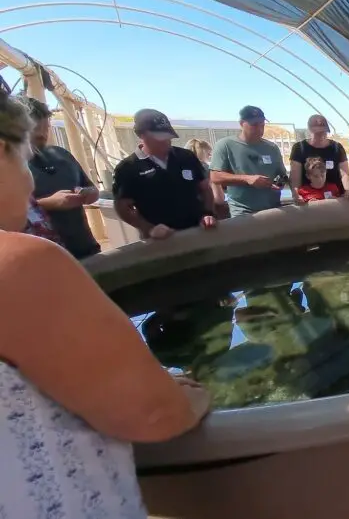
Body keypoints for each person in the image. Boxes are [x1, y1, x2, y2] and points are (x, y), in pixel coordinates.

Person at [0, 89, 211, 517]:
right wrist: (183, 394)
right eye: (22, 159)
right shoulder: (20, 265)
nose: (28, 179)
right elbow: (153, 414)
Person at [112, 109, 218, 240]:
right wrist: (148, 228)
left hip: (197, 231)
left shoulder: (186, 157)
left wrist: (207, 214)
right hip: (160, 240)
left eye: (168, 136)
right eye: (159, 137)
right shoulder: (128, 168)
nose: (166, 141)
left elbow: (205, 189)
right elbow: (122, 206)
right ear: (142, 135)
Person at [25, 97, 101, 259]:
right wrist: (48, 203)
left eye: (46, 127)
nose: (42, 134)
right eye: (35, 129)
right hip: (43, 261)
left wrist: (89, 193)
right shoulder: (8, 168)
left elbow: (92, 188)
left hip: (86, 250)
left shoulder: (62, 155)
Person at [210, 105, 297, 215]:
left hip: (273, 209)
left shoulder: (272, 148)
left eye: (262, 125)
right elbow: (215, 176)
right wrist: (247, 179)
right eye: (254, 125)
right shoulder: (225, 145)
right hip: (243, 211)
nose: (260, 129)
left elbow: (282, 175)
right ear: (242, 124)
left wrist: (280, 183)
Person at [289, 114, 349, 199]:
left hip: (335, 197)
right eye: (317, 133)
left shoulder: (337, 148)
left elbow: (345, 174)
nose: (321, 135)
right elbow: (295, 176)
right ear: (310, 131)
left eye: (324, 132)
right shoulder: (299, 148)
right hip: (310, 198)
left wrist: (348, 191)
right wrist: (296, 195)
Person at [186, 137, 228, 218]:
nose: (210, 155)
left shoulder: (181, 169)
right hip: (209, 215)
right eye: (209, 153)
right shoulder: (207, 169)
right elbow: (219, 199)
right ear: (204, 152)